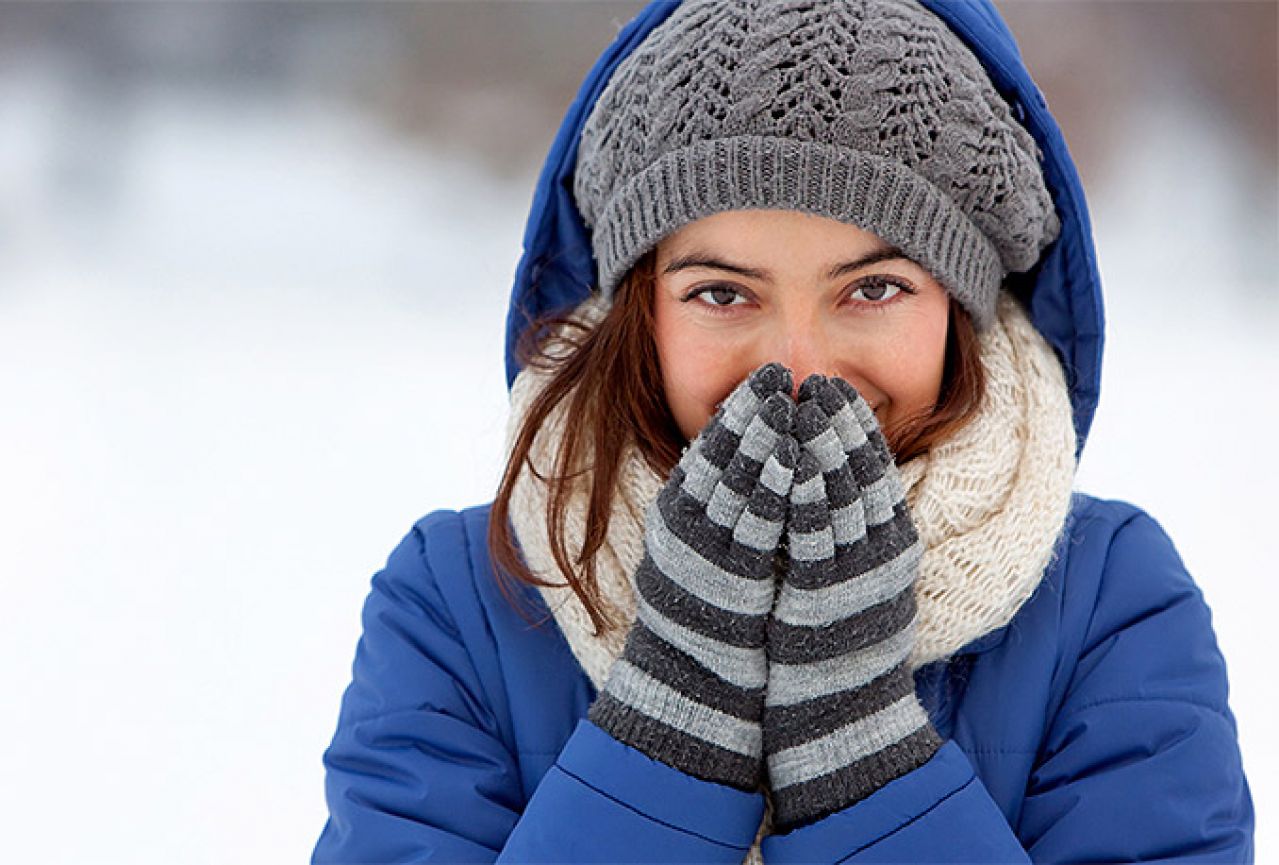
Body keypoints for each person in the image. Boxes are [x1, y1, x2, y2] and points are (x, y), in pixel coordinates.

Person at [312, 0, 1254, 861]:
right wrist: (668, 737)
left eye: (872, 289)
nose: (798, 368)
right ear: (640, 312)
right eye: (721, 293)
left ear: (960, 310)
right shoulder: (462, 601)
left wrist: (865, 765)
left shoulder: (1105, 603)